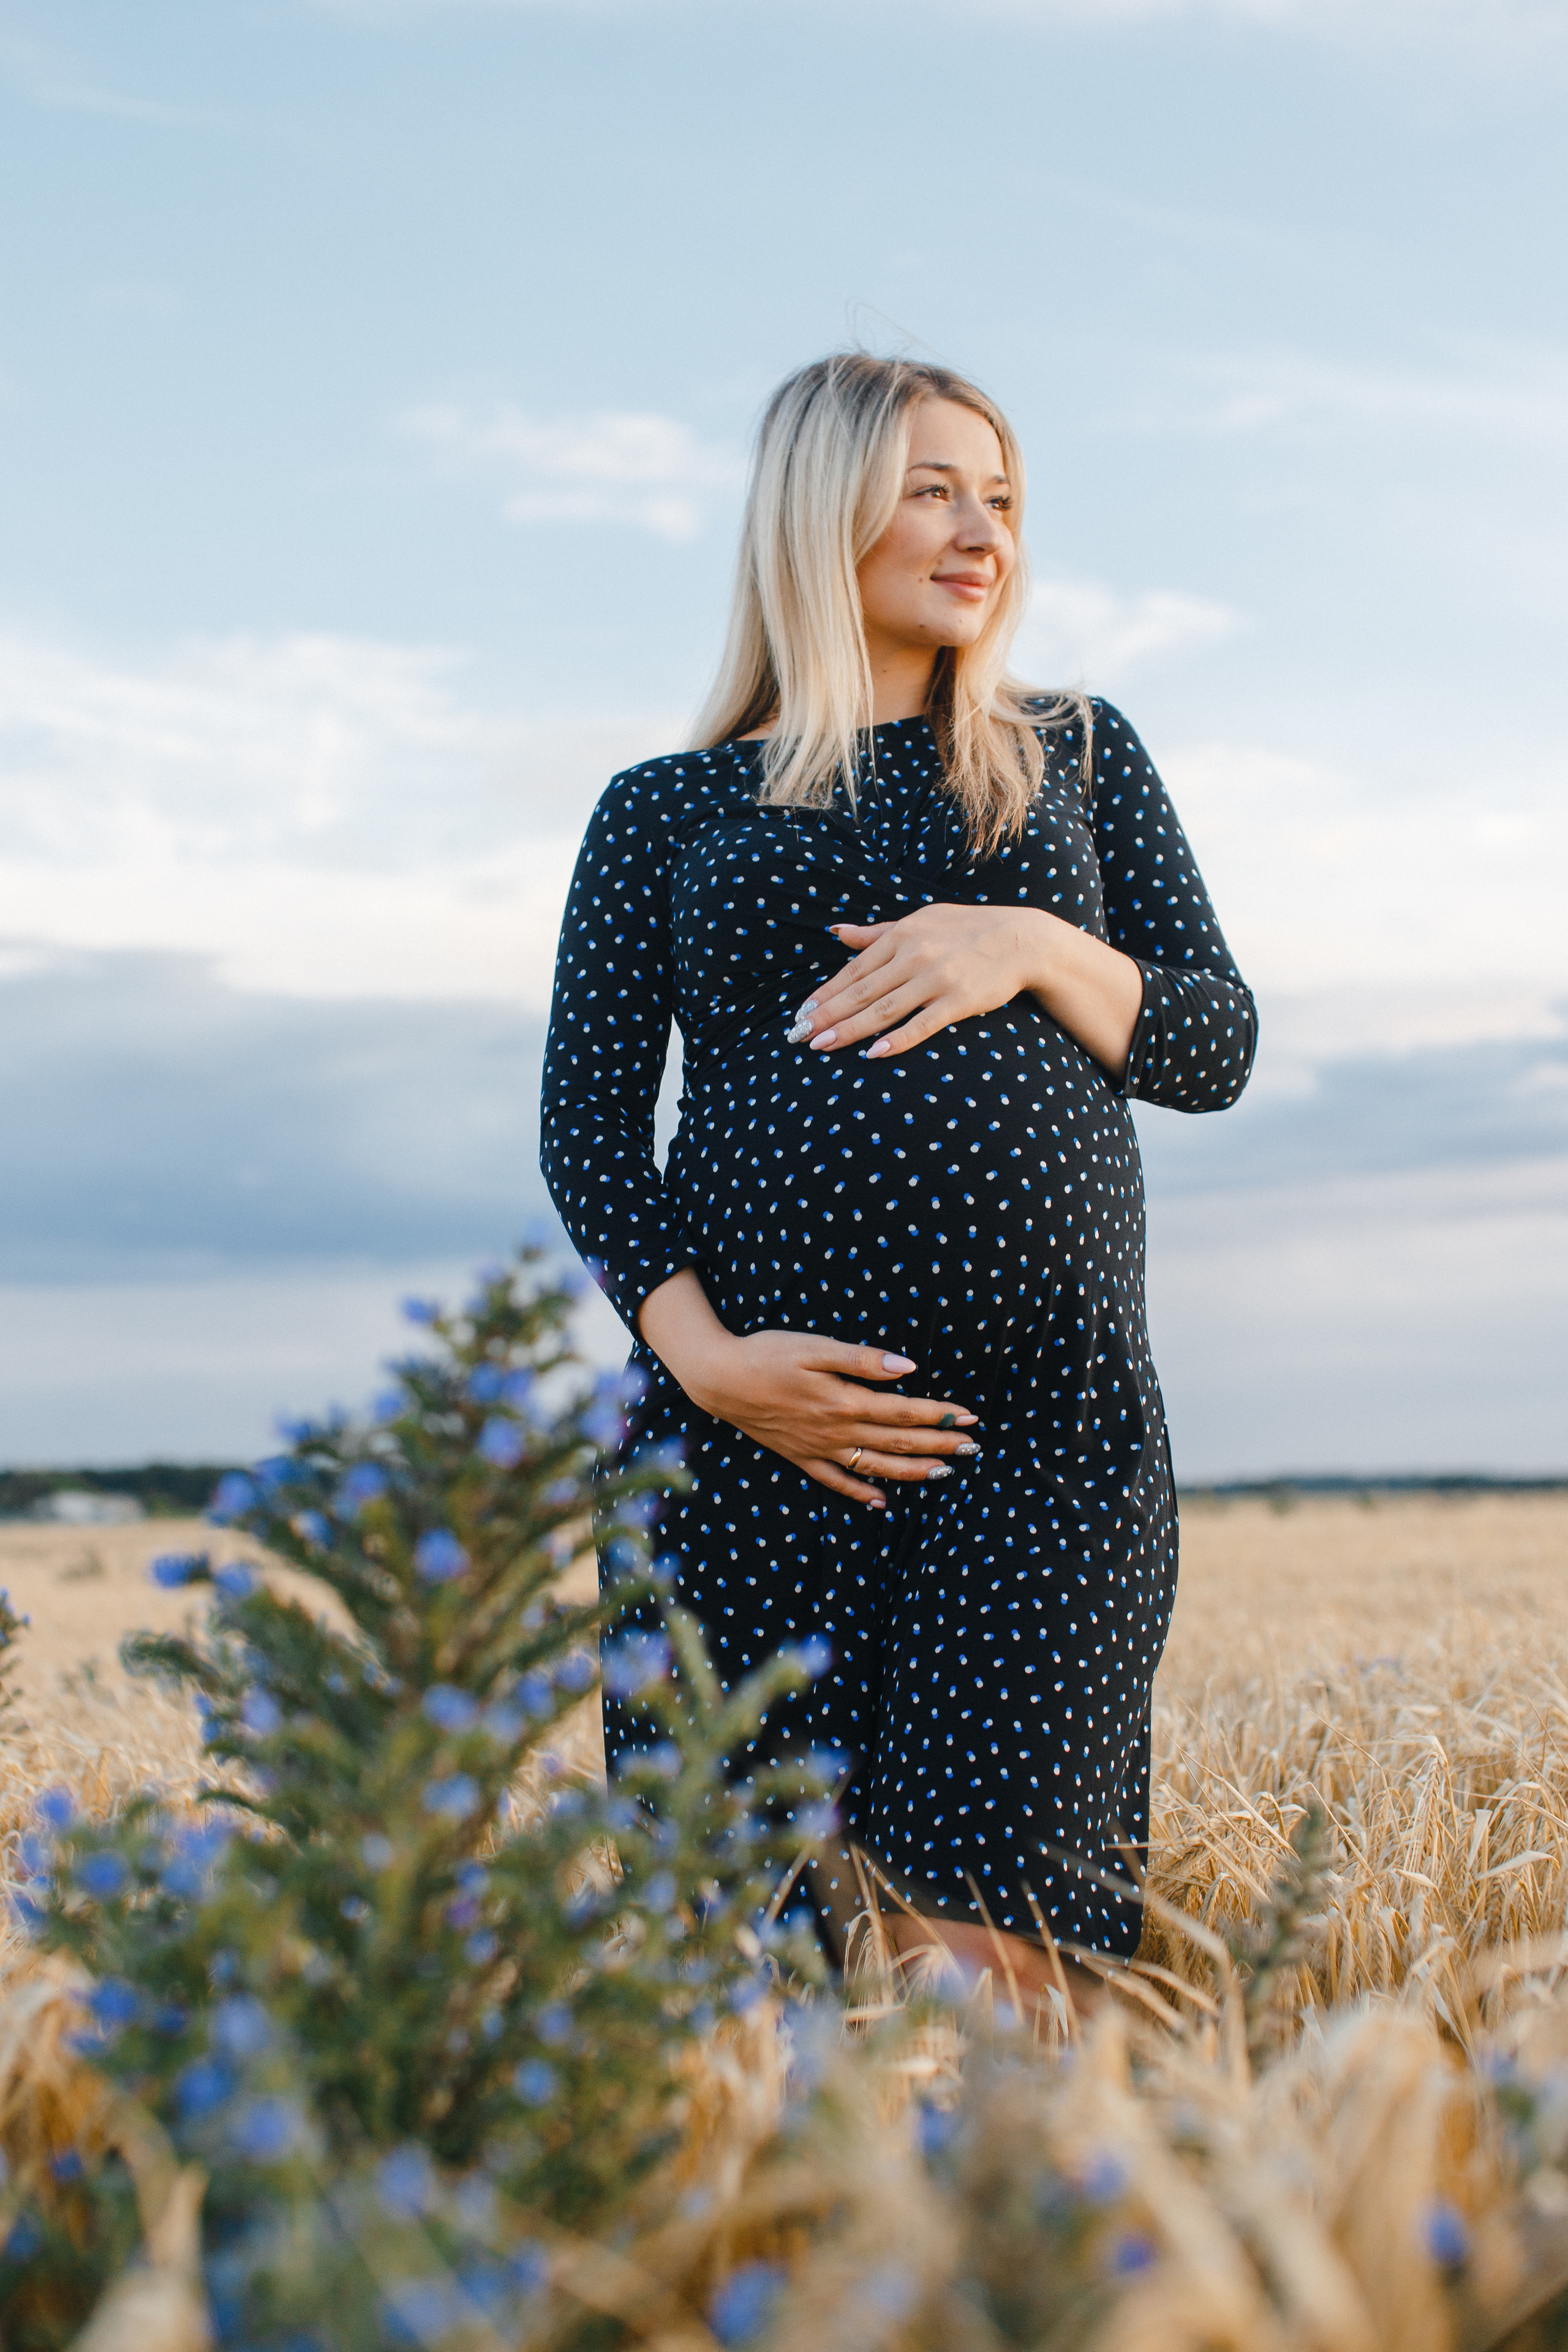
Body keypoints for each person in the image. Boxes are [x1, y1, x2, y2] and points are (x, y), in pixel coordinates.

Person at [540, 352, 1256, 2011]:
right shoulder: (665, 809)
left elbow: (1210, 1041)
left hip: (1042, 1438)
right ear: (821, 510)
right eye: (935, 488)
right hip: (742, 1448)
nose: (981, 530)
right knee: (744, 1975)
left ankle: (1004, 2267)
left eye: (1000, 497)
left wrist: (1025, 942)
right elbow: (590, 1131)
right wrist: (709, 1366)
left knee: (994, 1961)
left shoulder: (1072, 753)